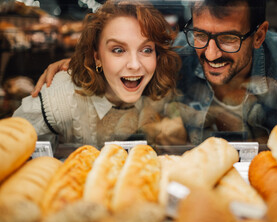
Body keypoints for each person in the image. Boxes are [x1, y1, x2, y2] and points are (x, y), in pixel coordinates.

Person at [30, 0, 277, 145]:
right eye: (200, 35)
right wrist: (82, 60)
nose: (210, 55)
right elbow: (130, 58)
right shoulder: (179, 54)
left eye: (228, 39)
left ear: (260, 35)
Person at [13, 0, 185, 149]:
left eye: (146, 50)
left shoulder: (160, 92)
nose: (134, 65)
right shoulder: (61, 99)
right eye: (118, 50)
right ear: (97, 57)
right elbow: (11, 145)